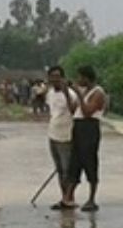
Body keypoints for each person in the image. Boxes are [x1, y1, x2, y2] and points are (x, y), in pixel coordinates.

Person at [68, 65, 107, 212]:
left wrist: (78, 94)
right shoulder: (84, 92)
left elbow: (87, 112)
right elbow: (73, 110)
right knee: (75, 162)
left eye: (80, 77)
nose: (78, 80)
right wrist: (68, 92)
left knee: (90, 161)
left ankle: (92, 199)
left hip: (89, 128)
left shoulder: (98, 93)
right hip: (78, 128)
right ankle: (69, 196)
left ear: (86, 77)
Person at [44, 65, 80, 210]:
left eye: (58, 76)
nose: (55, 79)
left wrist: (66, 93)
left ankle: (69, 198)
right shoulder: (50, 93)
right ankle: (64, 198)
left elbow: (73, 111)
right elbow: (52, 112)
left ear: (63, 78)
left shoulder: (71, 94)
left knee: (67, 170)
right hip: (52, 134)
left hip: (67, 137)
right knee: (59, 170)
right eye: (52, 76)